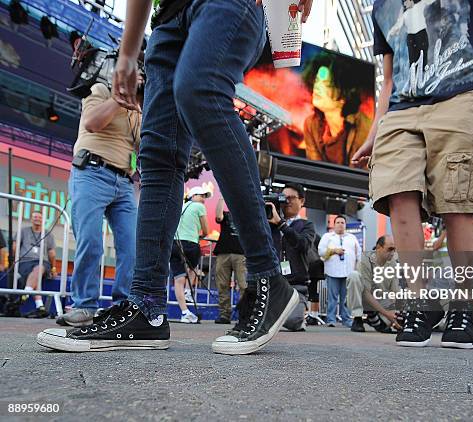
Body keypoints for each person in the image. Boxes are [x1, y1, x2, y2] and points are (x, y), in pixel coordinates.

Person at [37, 0, 314, 355]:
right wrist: (128, 51)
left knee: (200, 90)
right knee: (157, 157)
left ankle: (267, 276)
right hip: (166, 21)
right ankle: (146, 308)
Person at [351, 0, 473, 349]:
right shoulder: (381, 6)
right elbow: (389, 78)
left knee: (457, 201)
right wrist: (374, 132)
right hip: (401, 108)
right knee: (397, 194)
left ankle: (463, 304)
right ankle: (419, 302)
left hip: (460, 93)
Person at [58, 80, 141, 328]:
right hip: (92, 172)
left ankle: (123, 306)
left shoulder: (137, 110)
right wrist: (118, 99)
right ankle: (85, 306)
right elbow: (92, 122)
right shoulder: (101, 89)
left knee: (131, 247)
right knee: (91, 241)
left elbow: (140, 145)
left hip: (125, 182)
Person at [302, 52, 372, 167]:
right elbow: (315, 171)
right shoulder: (310, 124)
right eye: (317, 81)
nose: (317, 87)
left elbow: (362, 175)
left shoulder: (365, 128)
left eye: (327, 84)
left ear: (344, 94)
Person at [267, 183, 316, 331]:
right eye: (283, 198)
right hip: (273, 285)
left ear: (301, 201)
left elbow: (303, 244)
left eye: (291, 198)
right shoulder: (269, 223)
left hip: (296, 286)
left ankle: (294, 316)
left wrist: (282, 225)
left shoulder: (306, 225)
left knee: (293, 321)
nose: (286, 201)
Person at [170, 187, 209, 324]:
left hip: (175, 244)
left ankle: (185, 312)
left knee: (178, 279)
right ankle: (188, 291)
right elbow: (206, 230)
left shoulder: (181, 206)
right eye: (201, 195)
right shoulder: (199, 206)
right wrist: (202, 235)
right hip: (191, 243)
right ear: (193, 196)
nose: (204, 199)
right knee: (193, 268)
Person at [347, 235, 401, 333]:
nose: (393, 253)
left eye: (394, 249)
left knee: (395, 318)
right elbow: (366, 293)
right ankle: (358, 317)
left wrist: (395, 314)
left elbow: (395, 291)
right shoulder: (365, 261)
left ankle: (373, 317)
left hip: (380, 298)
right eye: (390, 249)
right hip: (364, 298)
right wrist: (386, 313)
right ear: (378, 248)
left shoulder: (393, 264)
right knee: (354, 276)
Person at [318, 215, 361, 327]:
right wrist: (334, 251)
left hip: (348, 272)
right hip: (333, 271)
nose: (340, 224)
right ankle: (331, 319)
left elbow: (359, 254)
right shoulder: (327, 236)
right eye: (338, 222)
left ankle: (346, 319)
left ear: (345, 225)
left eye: (342, 222)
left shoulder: (352, 238)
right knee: (332, 297)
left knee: (346, 298)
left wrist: (358, 269)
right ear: (334, 224)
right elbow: (321, 251)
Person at [15, 211, 57, 319]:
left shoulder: (48, 234)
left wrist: (53, 268)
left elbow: (52, 254)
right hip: (25, 261)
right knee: (36, 275)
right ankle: (40, 306)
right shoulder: (23, 231)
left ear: (43, 220)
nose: (37, 219)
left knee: (39, 268)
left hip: (42, 262)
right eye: (35, 217)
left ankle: (25, 294)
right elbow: (14, 247)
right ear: (31, 219)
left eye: (39, 217)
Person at [213, 197, 247, 325]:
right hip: (224, 252)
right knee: (222, 284)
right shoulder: (226, 215)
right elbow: (218, 216)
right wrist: (223, 197)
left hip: (241, 253)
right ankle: (224, 314)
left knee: (243, 285)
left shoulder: (247, 217)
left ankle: (244, 314)